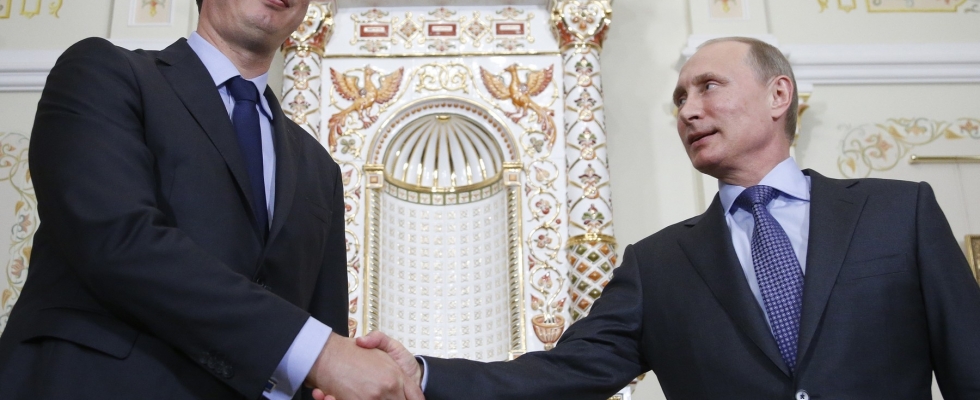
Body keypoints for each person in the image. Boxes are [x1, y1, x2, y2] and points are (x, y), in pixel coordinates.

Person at [336, 37, 980, 399]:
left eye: (708, 87)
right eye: (679, 99)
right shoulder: (658, 266)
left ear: (778, 94)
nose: (689, 111)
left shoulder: (899, 213)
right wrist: (421, 374)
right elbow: (562, 374)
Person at [0, 1, 422, 399]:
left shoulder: (319, 167)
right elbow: (116, 239)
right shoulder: (104, 71)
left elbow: (324, 352)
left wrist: (339, 363)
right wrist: (320, 352)